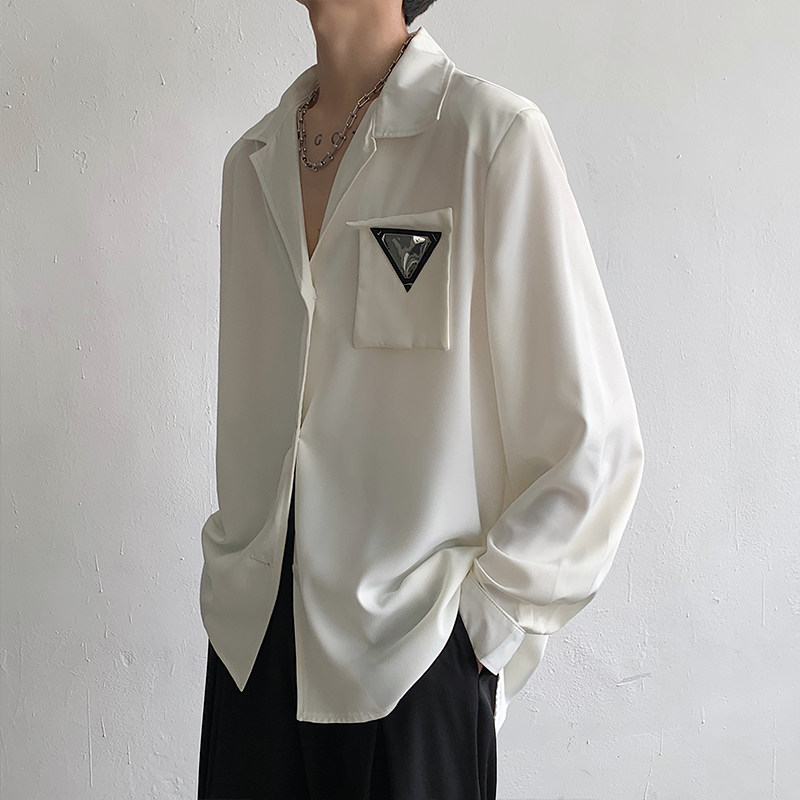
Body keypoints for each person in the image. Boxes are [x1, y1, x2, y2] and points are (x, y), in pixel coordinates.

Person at [197, 1, 645, 798]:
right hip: (249, 657)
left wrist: (476, 640)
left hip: (410, 665)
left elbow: (596, 443)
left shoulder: (488, 138)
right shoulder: (251, 164)